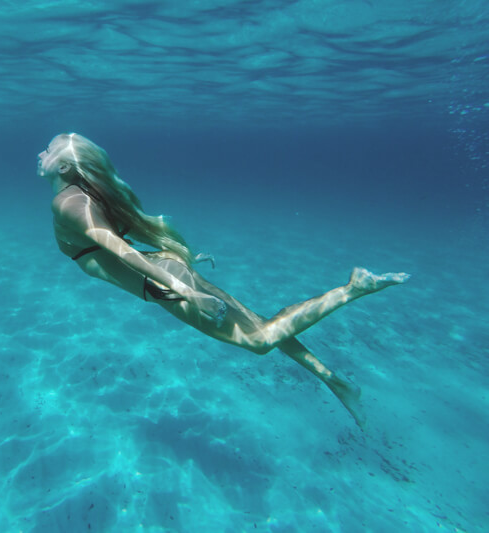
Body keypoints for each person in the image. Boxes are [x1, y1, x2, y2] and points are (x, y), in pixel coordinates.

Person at [38, 133, 409, 428]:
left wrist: (185, 291)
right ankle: (339, 384)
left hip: (161, 282)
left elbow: (121, 251)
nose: (42, 153)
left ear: (67, 166)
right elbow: (131, 234)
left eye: (50, 150)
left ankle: (352, 289)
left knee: (261, 341)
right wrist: (180, 260)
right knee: (265, 327)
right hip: (164, 270)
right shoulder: (87, 196)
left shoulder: (67, 203)